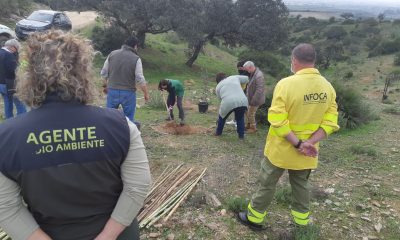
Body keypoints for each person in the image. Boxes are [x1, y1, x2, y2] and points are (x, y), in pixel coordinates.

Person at [0, 30, 152, 240]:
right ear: (83, 71)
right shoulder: (122, 126)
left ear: (29, 75)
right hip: (118, 235)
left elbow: (6, 208)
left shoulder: (5, 138)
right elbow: (138, 187)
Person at [237, 43, 340, 230]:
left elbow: (277, 120)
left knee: (267, 184)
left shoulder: (286, 84)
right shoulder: (328, 87)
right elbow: (331, 121)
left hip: (280, 151)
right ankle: (301, 225)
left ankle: (254, 218)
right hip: (307, 152)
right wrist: (309, 143)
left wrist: (298, 143)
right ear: (313, 60)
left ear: (294, 60)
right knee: (301, 187)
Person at [100, 36, 149, 123]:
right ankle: (126, 134)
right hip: (128, 93)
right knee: (128, 120)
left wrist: (105, 86)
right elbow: (140, 78)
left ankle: (110, 134)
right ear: (135, 46)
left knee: (110, 117)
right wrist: (145, 93)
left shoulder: (112, 54)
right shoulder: (136, 58)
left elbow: (104, 72)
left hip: (112, 90)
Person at [215, 73, 249, 139]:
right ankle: (241, 136)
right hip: (243, 100)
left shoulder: (218, 87)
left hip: (228, 102)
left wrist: (221, 113)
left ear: (218, 81)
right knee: (240, 118)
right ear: (226, 76)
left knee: (222, 117)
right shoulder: (234, 77)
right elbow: (246, 79)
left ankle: (218, 133)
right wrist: (241, 86)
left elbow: (221, 99)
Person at [0, 39, 27, 119]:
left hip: (1, 84)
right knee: (19, 103)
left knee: (7, 103)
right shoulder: (8, 55)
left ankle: (9, 120)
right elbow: (13, 70)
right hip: (10, 83)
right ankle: (22, 120)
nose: (16, 51)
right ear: (12, 47)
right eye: (16, 49)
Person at [243, 61, 265, 133]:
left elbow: (259, 89)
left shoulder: (259, 75)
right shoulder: (253, 73)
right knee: (248, 112)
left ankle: (253, 128)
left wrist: (253, 100)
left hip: (255, 99)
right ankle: (248, 125)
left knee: (251, 114)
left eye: (247, 69)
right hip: (250, 98)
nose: (247, 71)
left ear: (250, 67)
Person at [226, 60, 250, 127]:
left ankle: (245, 123)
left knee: (243, 109)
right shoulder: (241, 74)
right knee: (236, 106)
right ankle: (234, 120)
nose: (238, 70)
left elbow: (245, 85)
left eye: (239, 68)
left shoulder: (247, 75)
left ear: (243, 67)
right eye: (238, 68)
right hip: (239, 92)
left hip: (244, 93)